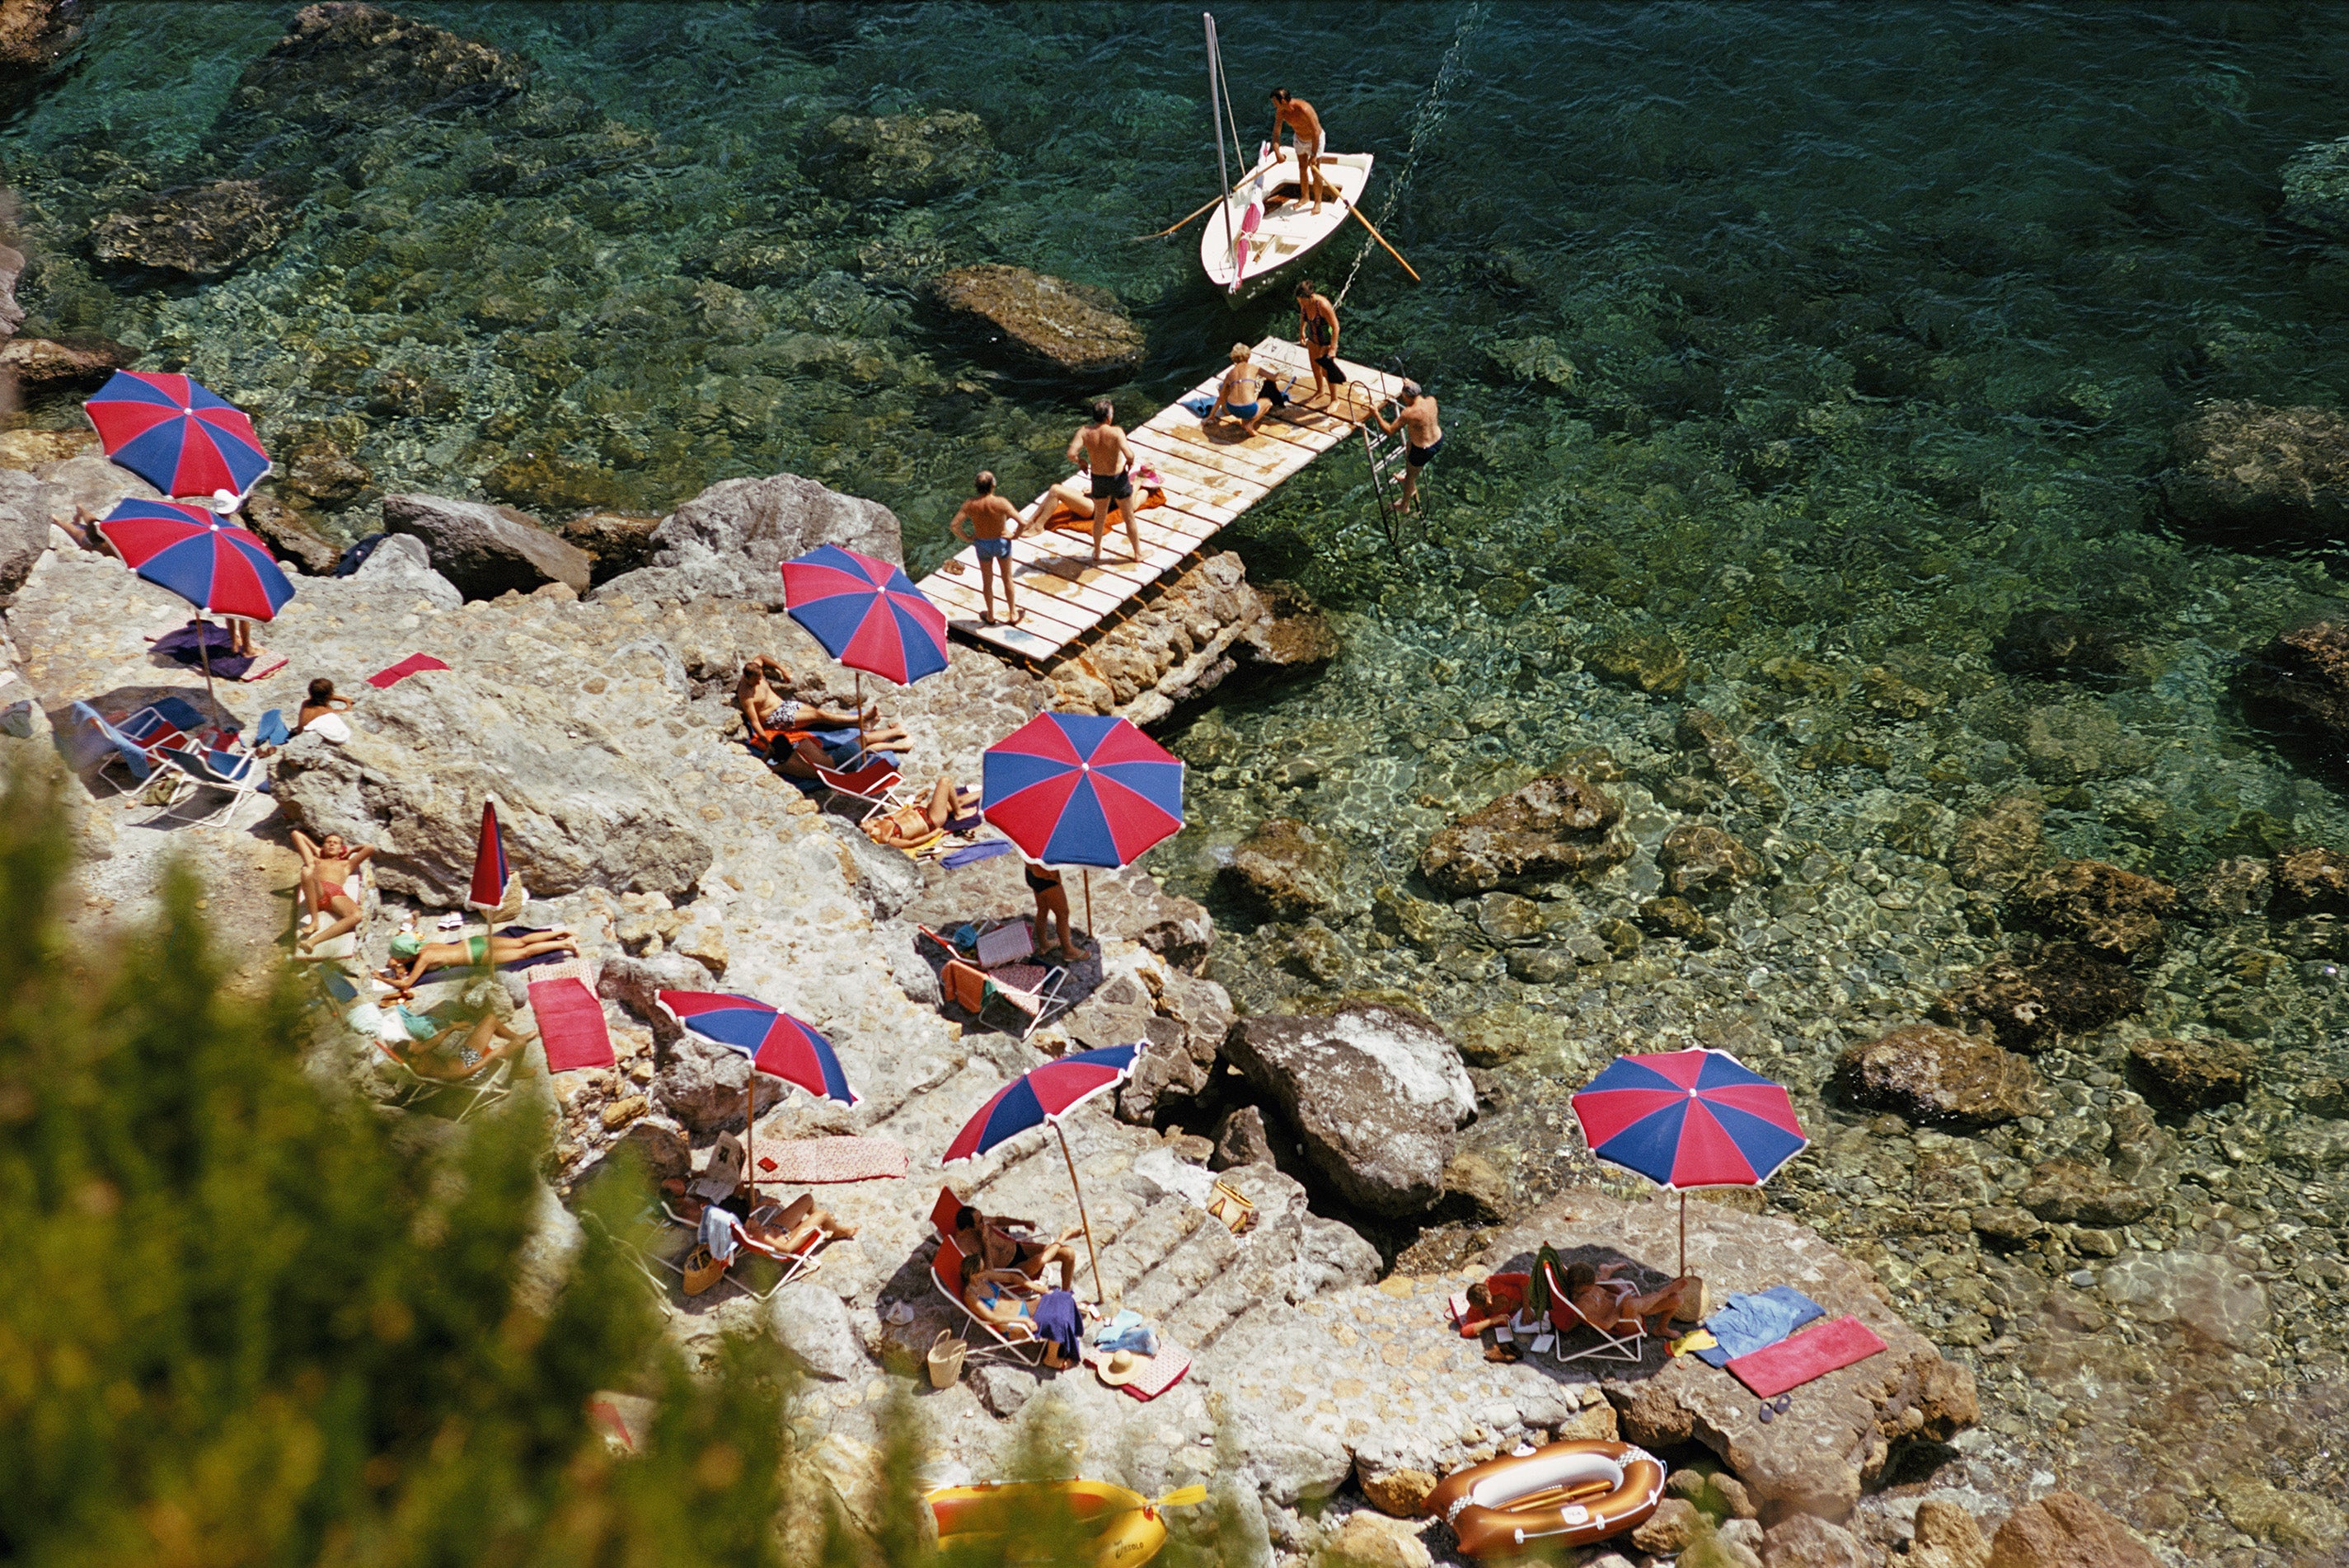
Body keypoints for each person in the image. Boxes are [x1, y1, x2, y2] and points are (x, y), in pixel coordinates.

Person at [959, 1254, 1077, 1369]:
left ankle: (1064, 1335)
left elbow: (1011, 1277)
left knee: (1060, 1298)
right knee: (1056, 1320)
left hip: (1022, 1306)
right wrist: (1024, 1320)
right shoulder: (970, 1296)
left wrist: (1036, 1288)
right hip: (1012, 1325)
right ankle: (1050, 1359)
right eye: (982, 1269)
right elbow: (993, 1318)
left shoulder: (983, 1277)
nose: (985, 1271)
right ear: (973, 1275)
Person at [378, 926, 581, 993]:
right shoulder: (425, 946)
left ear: (406, 957)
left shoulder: (424, 958)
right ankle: (561, 933)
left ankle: (565, 945)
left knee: (523, 954)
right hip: (474, 943)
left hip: (476, 956)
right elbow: (395, 962)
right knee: (519, 941)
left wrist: (383, 979)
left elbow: (406, 984)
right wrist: (396, 964)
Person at [1067, 401, 1142, 568]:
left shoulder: (1085, 432)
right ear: (1108, 418)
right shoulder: (1116, 432)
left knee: (1100, 517)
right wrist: (1130, 463)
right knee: (1129, 516)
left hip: (1098, 479)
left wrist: (1081, 462)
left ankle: (1097, 551)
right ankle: (1138, 553)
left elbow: (1071, 453)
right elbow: (1129, 454)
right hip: (1117, 478)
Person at [948, 470, 1024, 626]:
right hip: (1001, 541)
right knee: (1007, 578)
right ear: (993, 485)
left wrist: (968, 537)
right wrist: (1015, 536)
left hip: (982, 544)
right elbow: (1022, 522)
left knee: (987, 581)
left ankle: (990, 615)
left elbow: (954, 526)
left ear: (976, 487)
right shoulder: (1001, 502)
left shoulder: (970, 505)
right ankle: (1013, 613)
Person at [957, 1203, 1082, 1294]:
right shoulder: (965, 1248)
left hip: (1019, 1248)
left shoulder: (981, 1221)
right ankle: (1063, 1237)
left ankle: (1066, 1294)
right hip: (1012, 1269)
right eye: (979, 1222)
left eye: (982, 1218)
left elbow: (999, 1220)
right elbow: (989, 1274)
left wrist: (1023, 1222)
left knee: (1069, 1253)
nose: (983, 1222)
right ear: (968, 1228)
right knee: (1040, 1261)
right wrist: (986, 1244)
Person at [382, 1009, 537, 1083]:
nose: (419, 1044)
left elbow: (434, 1042)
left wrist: (451, 1028)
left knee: (490, 1018)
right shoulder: (422, 1069)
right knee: (520, 1044)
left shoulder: (417, 1054)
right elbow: (461, 1075)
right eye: (415, 1044)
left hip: (463, 1058)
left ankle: (517, 1038)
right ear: (412, 1055)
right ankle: (514, 1072)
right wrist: (491, 1056)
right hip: (472, 1072)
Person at [1563, 1260, 1700, 1338]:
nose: (1595, 1284)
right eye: (1591, 1284)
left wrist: (1621, 1291)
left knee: (1677, 1299)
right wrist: (1621, 1305)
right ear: (1581, 1288)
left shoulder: (1590, 1285)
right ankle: (1664, 1292)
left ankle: (1661, 1328)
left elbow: (1603, 1282)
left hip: (1631, 1304)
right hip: (1623, 1321)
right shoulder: (1581, 1306)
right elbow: (1606, 1324)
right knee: (1631, 1306)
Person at [293, 831, 375, 952]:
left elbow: (370, 848)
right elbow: (296, 834)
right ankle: (314, 922)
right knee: (307, 871)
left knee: (357, 915)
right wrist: (316, 849)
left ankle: (312, 942)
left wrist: (351, 850)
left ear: (341, 848)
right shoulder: (316, 861)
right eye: (328, 842)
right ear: (323, 846)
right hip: (317, 890)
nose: (331, 845)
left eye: (336, 843)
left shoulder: (346, 864)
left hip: (336, 894)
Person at [1372, 381, 1442, 511]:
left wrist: (1376, 414)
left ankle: (1404, 505)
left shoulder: (1409, 412)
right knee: (1410, 445)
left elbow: (1389, 430)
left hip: (1424, 449)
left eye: (1403, 397)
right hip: (1438, 441)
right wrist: (1410, 383)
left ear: (1407, 397)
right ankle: (1408, 482)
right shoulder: (1431, 400)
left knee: (1411, 475)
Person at [861, 776, 979, 850]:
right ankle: (959, 813)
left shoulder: (882, 820)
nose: (868, 820)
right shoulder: (888, 840)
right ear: (866, 833)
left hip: (921, 810)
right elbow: (911, 843)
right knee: (945, 782)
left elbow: (903, 812)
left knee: (958, 800)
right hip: (931, 820)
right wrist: (933, 835)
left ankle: (986, 792)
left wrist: (916, 804)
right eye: (865, 823)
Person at [1268, 88, 1328, 214]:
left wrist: (1313, 154)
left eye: (1275, 102)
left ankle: (1318, 202)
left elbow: (1316, 132)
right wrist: (1277, 152)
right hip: (1299, 140)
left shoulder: (1304, 109)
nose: (1274, 105)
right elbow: (1276, 133)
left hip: (1315, 140)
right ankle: (1305, 197)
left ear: (1283, 101)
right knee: (1302, 168)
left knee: (1315, 171)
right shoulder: (1281, 112)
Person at [1296, 280, 1344, 410]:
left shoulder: (1323, 305)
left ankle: (1335, 400)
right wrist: (1301, 332)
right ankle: (1320, 391)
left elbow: (1336, 327)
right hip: (1313, 338)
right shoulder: (1304, 304)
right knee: (1315, 367)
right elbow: (1303, 316)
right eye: (1299, 301)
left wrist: (1333, 348)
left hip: (1326, 341)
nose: (1301, 304)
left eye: (1302, 301)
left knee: (1326, 370)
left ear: (1310, 297)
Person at [1212, 342, 1268, 437]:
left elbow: (1220, 398)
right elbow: (1274, 377)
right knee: (1267, 402)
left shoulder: (1229, 374)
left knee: (1227, 389)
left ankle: (1241, 418)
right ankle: (1250, 424)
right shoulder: (1254, 368)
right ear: (1248, 356)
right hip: (1248, 409)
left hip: (1232, 409)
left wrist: (1211, 415)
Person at [1024, 861, 1076, 962]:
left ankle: (1044, 945)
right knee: (1063, 914)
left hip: (1031, 872)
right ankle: (1068, 951)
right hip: (1045, 877)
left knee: (1043, 909)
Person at [297, 677, 354, 743]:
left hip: (299, 732)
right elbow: (346, 711)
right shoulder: (324, 711)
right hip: (306, 738)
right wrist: (349, 706)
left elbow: (321, 696)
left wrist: (344, 699)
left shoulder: (305, 703)